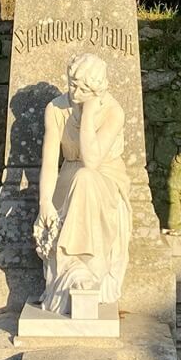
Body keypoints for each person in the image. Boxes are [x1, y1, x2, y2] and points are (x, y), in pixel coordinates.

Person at [32, 53, 132, 314]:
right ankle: (72, 272)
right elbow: (51, 160)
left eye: (83, 88)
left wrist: (88, 114)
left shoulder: (113, 111)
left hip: (105, 180)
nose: (75, 92)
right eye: (72, 84)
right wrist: (44, 202)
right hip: (68, 177)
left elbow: (92, 161)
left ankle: (86, 271)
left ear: (97, 89)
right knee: (78, 180)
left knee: (86, 178)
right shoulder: (55, 109)